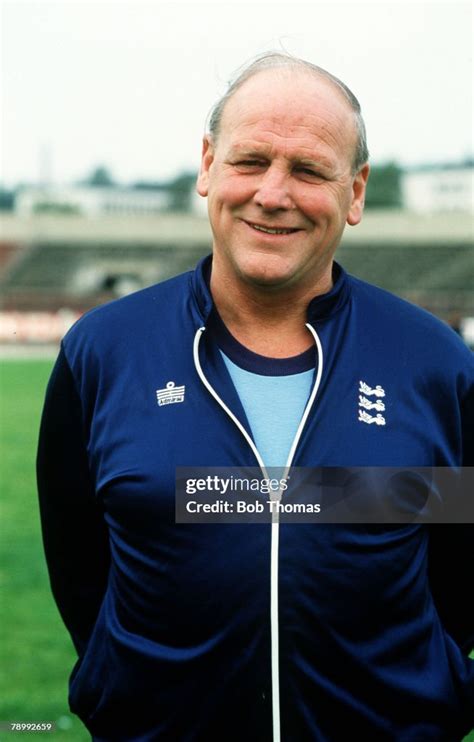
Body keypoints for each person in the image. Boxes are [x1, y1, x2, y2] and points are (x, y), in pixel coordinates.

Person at [37, 52, 473, 741]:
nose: (274, 193)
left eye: (308, 170)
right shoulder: (103, 351)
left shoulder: (436, 364)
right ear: (208, 165)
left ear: (355, 192)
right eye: (250, 161)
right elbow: (79, 565)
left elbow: (457, 575)